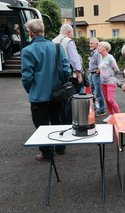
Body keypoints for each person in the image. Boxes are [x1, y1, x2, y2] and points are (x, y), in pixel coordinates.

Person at [21, 19, 70, 160]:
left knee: (41, 126)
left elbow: (26, 77)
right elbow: (67, 70)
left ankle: (46, 153)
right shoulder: (57, 48)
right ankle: (60, 147)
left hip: (38, 96)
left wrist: (32, 90)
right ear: (43, 31)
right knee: (58, 121)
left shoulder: (28, 50)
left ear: (31, 33)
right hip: (57, 93)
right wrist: (61, 84)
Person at [53, 24, 83, 124]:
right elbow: (74, 59)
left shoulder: (53, 41)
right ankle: (70, 122)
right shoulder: (68, 41)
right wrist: (79, 73)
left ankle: (60, 121)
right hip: (70, 75)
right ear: (69, 32)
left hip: (57, 76)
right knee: (71, 100)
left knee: (60, 99)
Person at [98, 41, 121, 115]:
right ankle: (111, 115)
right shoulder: (101, 58)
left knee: (110, 99)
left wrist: (112, 77)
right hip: (103, 82)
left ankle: (119, 115)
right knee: (107, 100)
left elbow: (116, 70)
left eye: (100, 46)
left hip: (110, 82)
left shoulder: (110, 57)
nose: (98, 47)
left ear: (105, 48)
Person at [88, 37, 106, 116]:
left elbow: (101, 63)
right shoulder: (93, 52)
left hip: (96, 74)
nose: (90, 44)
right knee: (91, 91)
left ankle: (101, 110)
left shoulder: (98, 52)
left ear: (96, 44)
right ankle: (95, 107)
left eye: (91, 43)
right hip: (92, 74)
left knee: (98, 92)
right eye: (89, 43)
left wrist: (97, 72)